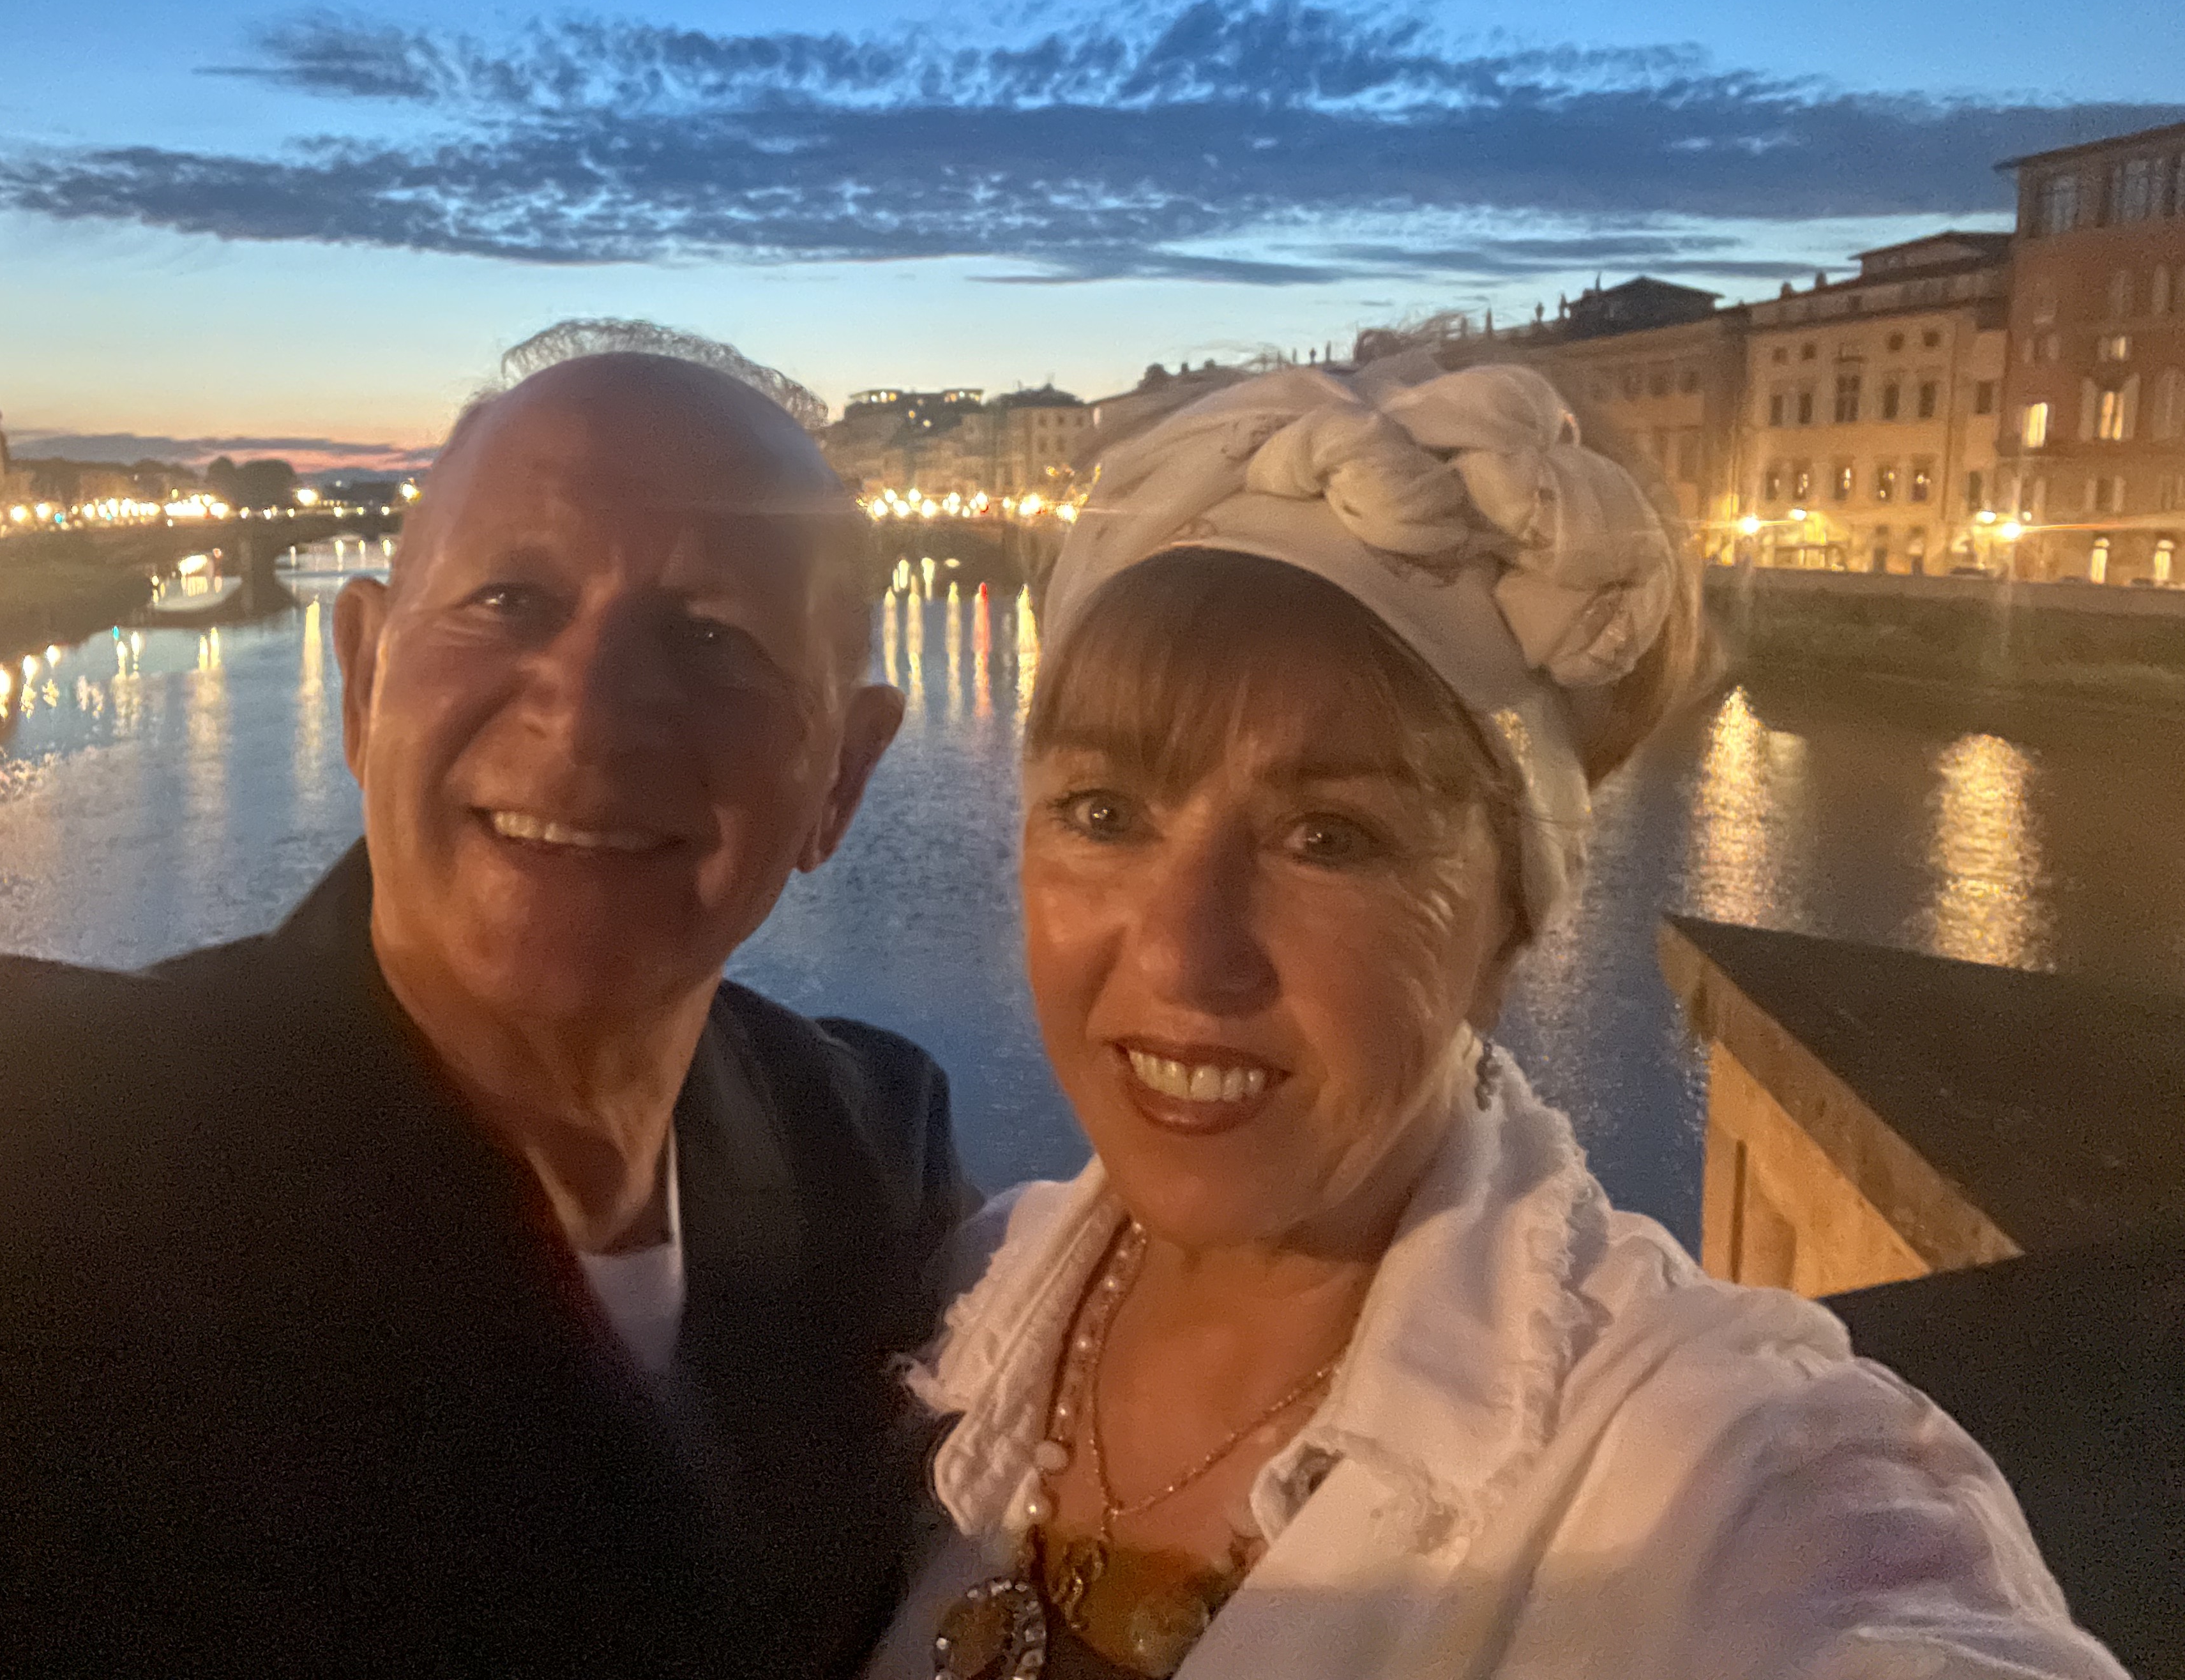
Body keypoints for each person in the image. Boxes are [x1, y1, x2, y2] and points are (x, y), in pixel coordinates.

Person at [0, 328, 973, 1677]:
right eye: (510, 600)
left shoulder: (867, 1156)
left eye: (715, 636)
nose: (588, 713)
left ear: (844, 776)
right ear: (364, 677)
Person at [871, 358, 2124, 1680]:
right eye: (1104, 814)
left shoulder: (1707, 1456)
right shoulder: (961, 1295)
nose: (1185, 955)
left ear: (1508, 925)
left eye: (1329, 837)